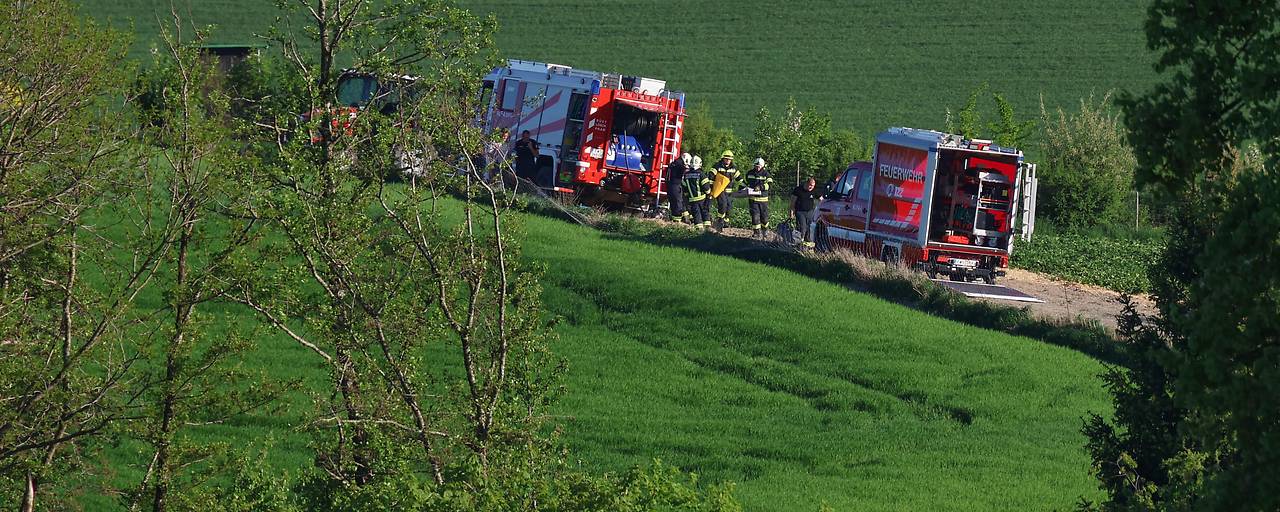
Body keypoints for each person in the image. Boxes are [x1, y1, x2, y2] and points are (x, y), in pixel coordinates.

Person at [709, 150, 740, 232]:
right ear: (723, 158)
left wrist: (745, 186)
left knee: (729, 207)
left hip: (729, 192)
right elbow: (711, 177)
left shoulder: (734, 168)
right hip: (720, 190)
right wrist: (710, 189)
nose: (728, 160)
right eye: (726, 159)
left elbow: (739, 178)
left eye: (729, 159)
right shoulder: (717, 166)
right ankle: (720, 221)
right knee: (723, 205)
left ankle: (726, 222)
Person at [744, 157, 774, 238]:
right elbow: (746, 183)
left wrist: (761, 187)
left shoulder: (766, 174)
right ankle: (756, 232)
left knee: (764, 218)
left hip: (763, 200)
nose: (757, 167)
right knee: (755, 217)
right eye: (756, 166)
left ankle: (765, 230)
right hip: (753, 199)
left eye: (759, 166)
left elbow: (770, 185)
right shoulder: (749, 173)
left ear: (762, 166)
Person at [683, 155, 712, 229]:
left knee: (697, 215)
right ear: (700, 163)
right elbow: (706, 187)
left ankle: (699, 230)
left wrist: (687, 196)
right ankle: (708, 230)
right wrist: (709, 194)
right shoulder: (701, 174)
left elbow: (684, 188)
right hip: (702, 199)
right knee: (705, 213)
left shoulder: (686, 175)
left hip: (692, 200)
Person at [790, 177, 820, 249]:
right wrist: (791, 212)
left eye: (813, 186)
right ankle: (797, 243)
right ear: (806, 183)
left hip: (810, 212)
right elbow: (792, 202)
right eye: (810, 185)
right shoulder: (798, 190)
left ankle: (807, 244)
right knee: (802, 227)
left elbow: (821, 199)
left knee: (809, 228)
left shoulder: (814, 191)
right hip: (800, 212)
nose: (811, 187)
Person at [667, 153, 691, 222]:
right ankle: (677, 221)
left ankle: (679, 219)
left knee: (677, 202)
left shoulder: (675, 163)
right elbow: (685, 170)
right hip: (676, 186)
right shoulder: (679, 164)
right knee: (678, 203)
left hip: (671, 185)